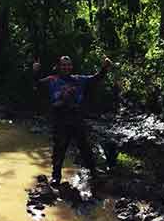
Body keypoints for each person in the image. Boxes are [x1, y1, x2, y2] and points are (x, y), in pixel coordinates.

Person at [33, 54, 113, 186]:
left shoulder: (79, 79)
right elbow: (37, 85)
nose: (66, 67)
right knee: (59, 149)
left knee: (85, 148)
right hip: (60, 119)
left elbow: (96, 79)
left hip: (76, 118)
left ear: (71, 66)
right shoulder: (52, 80)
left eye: (68, 64)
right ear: (59, 66)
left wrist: (104, 68)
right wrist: (35, 71)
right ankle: (56, 177)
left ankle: (94, 174)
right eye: (63, 65)